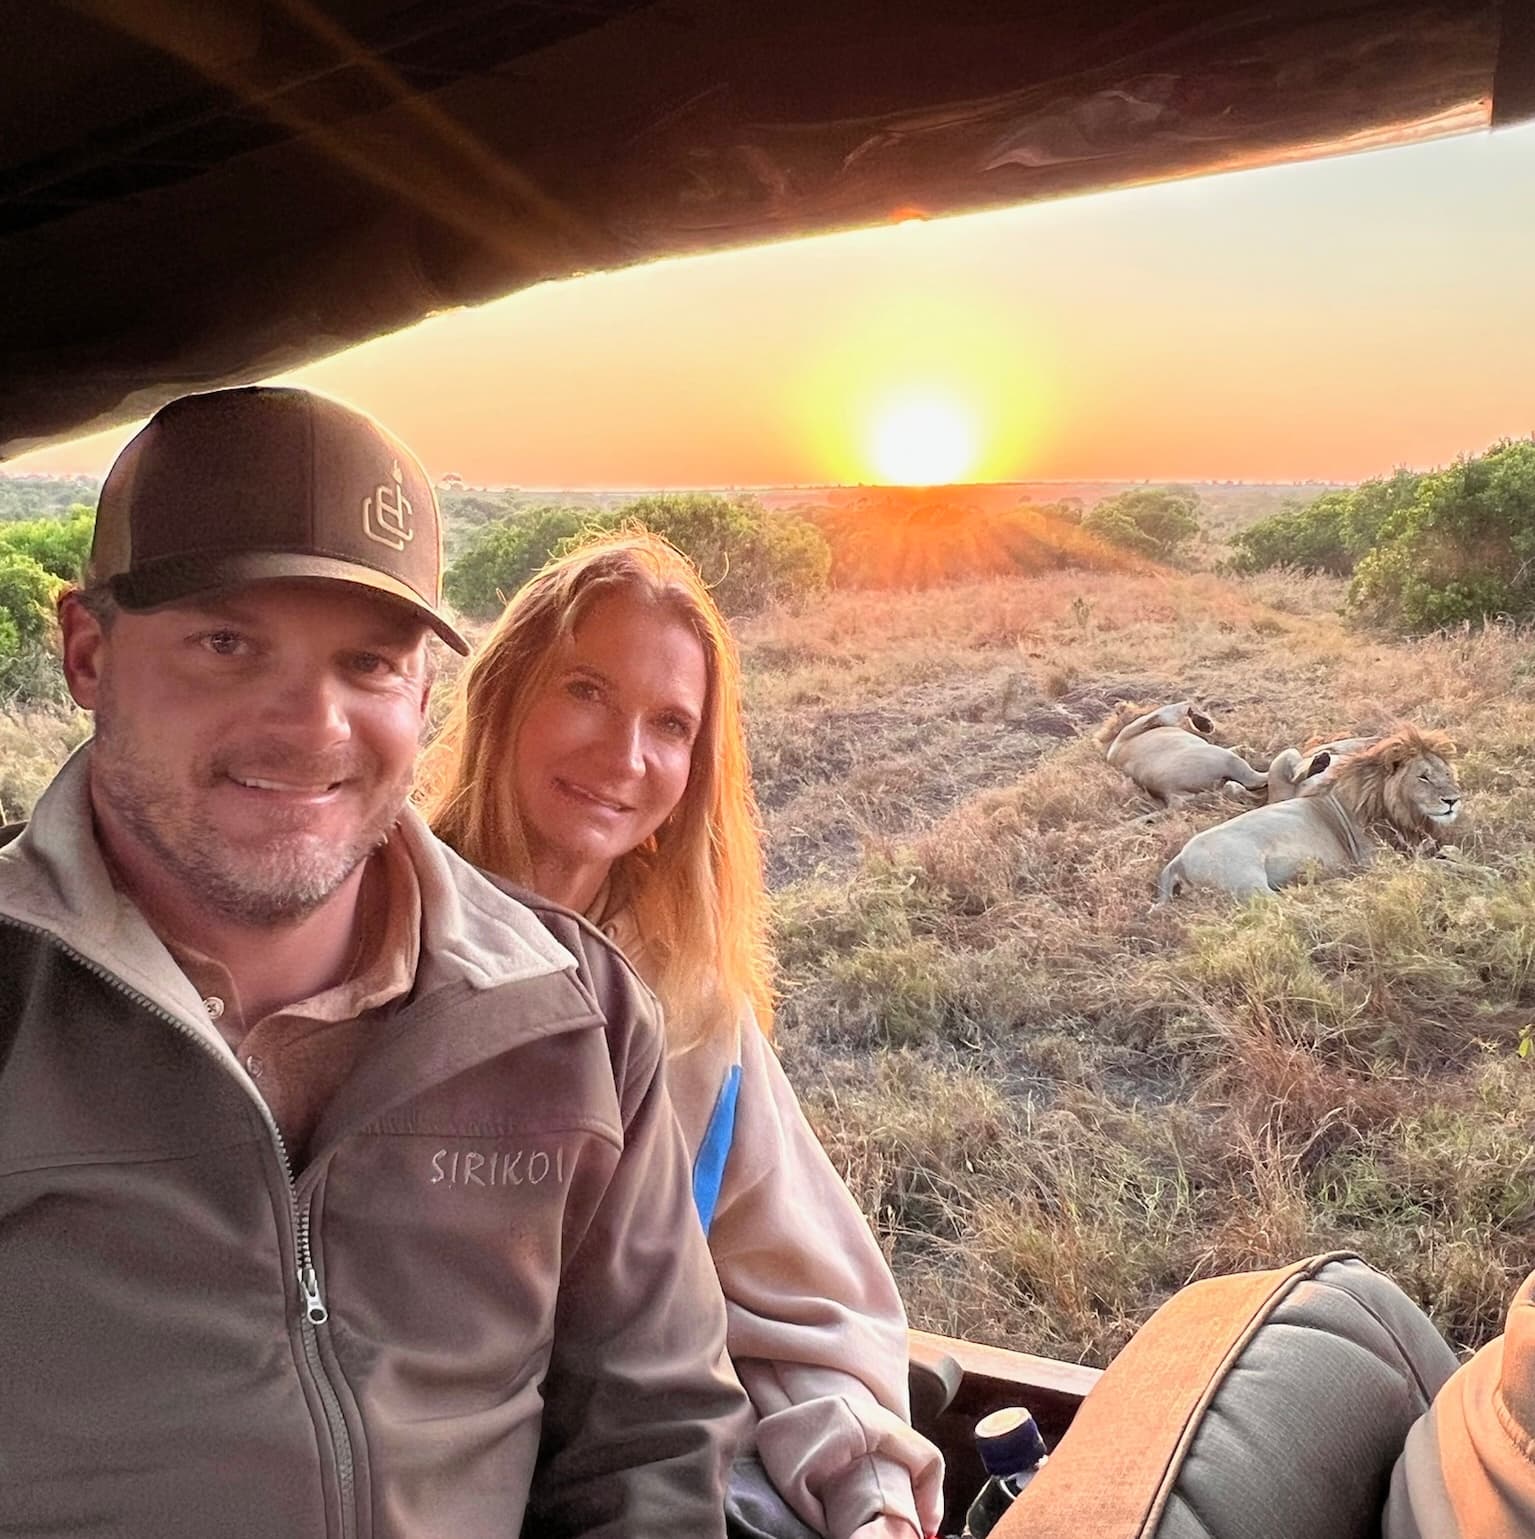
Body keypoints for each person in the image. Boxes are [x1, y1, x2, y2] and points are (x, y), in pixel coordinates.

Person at [0, 387, 744, 1539]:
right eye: (227, 645)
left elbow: (652, 1441)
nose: (313, 726)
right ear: (89, 654)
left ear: (425, 690)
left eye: (368, 663)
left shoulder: (575, 1015)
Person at [423, 530, 946, 1539]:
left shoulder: (694, 1007)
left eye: (668, 724)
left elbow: (795, 1306)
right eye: (585, 691)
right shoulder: (368, 945)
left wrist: (869, 1499)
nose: (624, 756)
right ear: (502, 695)